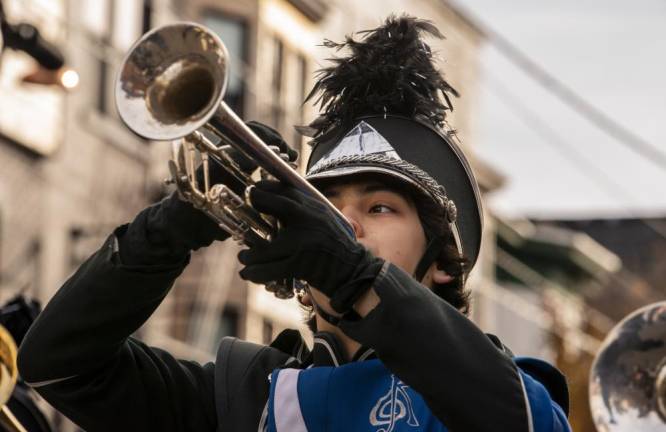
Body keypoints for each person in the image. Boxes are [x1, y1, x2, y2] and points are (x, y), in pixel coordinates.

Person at [17, 15, 571, 431]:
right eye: (327, 203)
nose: (342, 223)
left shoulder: (500, 388)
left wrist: (359, 279)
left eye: (379, 208)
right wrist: (169, 229)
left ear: (444, 267)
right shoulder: (247, 397)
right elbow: (59, 366)